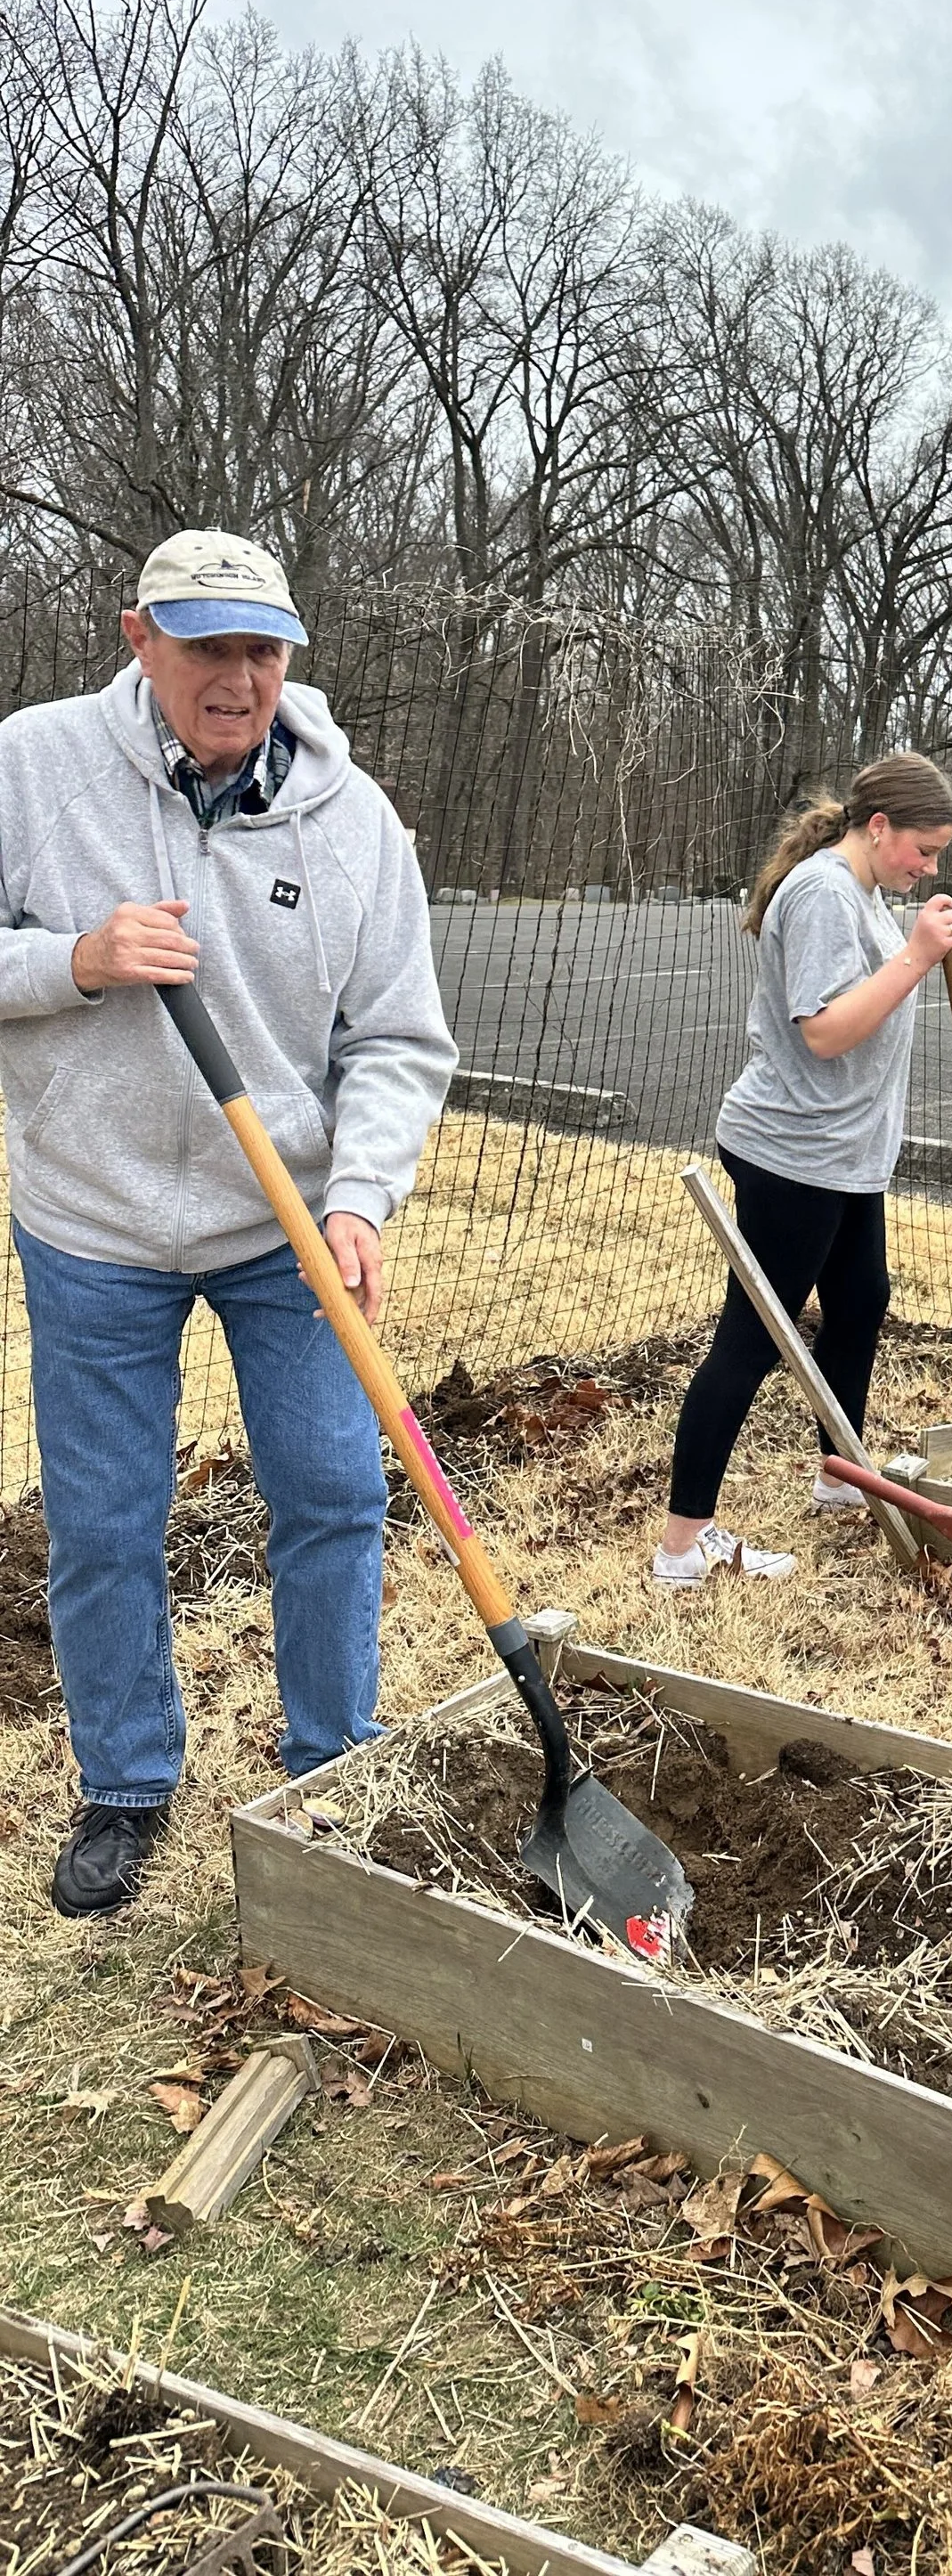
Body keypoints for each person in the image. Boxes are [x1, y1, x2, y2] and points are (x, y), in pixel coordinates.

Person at [0, 528, 456, 1917]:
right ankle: (128, 1783)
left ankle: (331, 1776)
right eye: (209, 646)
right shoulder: (32, 766)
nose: (239, 677)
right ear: (139, 637)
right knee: (104, 1520)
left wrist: (364, 1197)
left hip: (285, 1227)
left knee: (329, 1492)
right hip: (91, 1222)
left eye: (263, 650)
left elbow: (396, 1038)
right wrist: (70, 961)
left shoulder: (355, 819)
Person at [657, 755, 952, 1585]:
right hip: (794, 1153)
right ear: (878, 828)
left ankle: (841, 1473)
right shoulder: (824, 891)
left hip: (847, 1154)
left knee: (862, 1303)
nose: (928, 866)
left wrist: (911, 935)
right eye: (923, 850)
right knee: (754, 1340)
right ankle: (682, 1546)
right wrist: (917, 957)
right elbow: (826, 1028)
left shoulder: (859, 892)